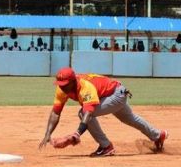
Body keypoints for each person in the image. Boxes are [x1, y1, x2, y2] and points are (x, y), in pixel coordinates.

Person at [38, 67, 168, 157]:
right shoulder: (62, 89)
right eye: (60, 83)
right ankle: (158, 135)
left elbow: (88, 113)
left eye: (65, 84)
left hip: (116, 94)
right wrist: (48, 134)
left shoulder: (85, 87)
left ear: (72, 81)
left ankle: (106, 146)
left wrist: (76, 134)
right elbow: (56, 112)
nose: (62, 86)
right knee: (130, 119)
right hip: (110, 93)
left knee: (83, 113)